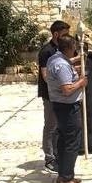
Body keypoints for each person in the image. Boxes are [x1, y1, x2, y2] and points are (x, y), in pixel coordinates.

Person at [46, 34, 88, 183]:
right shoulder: (62, 65)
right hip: (68, 107)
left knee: (64, 140)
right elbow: (67, 90)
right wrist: (81, 82)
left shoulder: (55, 59)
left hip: (60, 106)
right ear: (70, 47)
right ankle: (67, 179)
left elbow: (61, 71)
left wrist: (74, 68)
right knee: (72, 142)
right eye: (75, 47)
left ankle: (63, 174)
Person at [38, 19, 70, 172]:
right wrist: (63, 84)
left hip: (62, 95)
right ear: (56, 34)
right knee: (51, 126)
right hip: (50, 95)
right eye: (65, 34)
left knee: (59, 126)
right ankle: (49, 157)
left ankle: (58, 154)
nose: (67, 37)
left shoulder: (62, 49)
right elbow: (46, 75)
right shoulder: (46, 51)